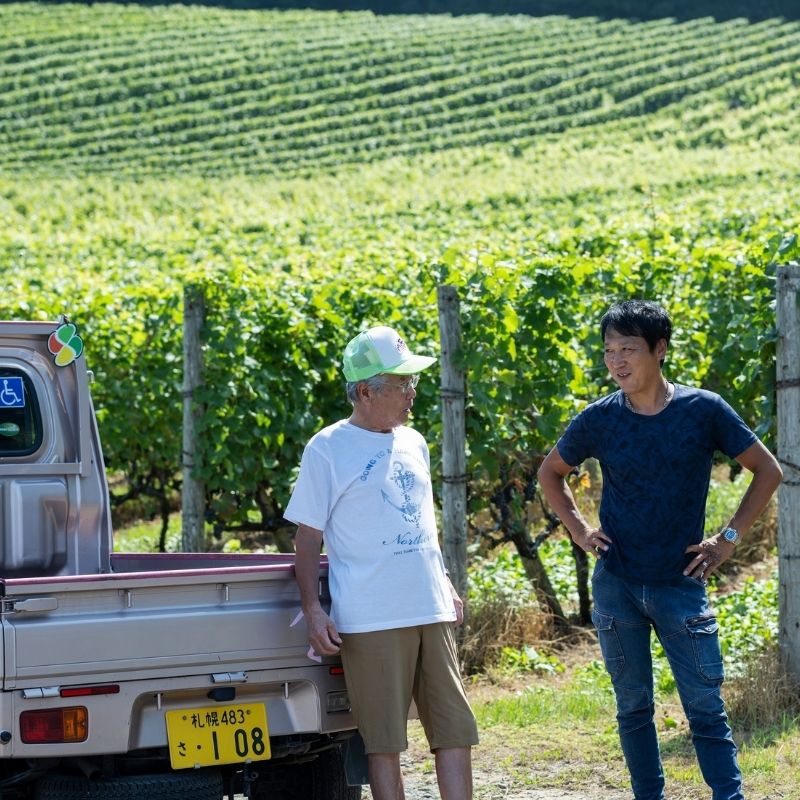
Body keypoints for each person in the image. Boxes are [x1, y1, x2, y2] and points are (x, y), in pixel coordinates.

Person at [537, 300, 782, 800]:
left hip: (680, 583)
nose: (617, 362)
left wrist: (727, 539)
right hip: (617, 585)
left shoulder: (704, 410)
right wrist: (583, 532)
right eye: (609, 351)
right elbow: (550, 474)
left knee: (705, 708)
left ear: (660, 349)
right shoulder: (598, 419)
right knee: (632, 707)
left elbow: (768, 470)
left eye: (628, 349)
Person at [285, 325, 478, 800]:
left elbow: (423, 527)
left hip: (429, 609)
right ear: (366, 391)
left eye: (412, 382)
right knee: (384, 742)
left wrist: (445, 581)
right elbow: (306, 539)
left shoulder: (414, 441)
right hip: (372, 618)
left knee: (455, 731)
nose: (412, 393)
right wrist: (313, 610)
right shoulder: (327, 448)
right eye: (402, 384)